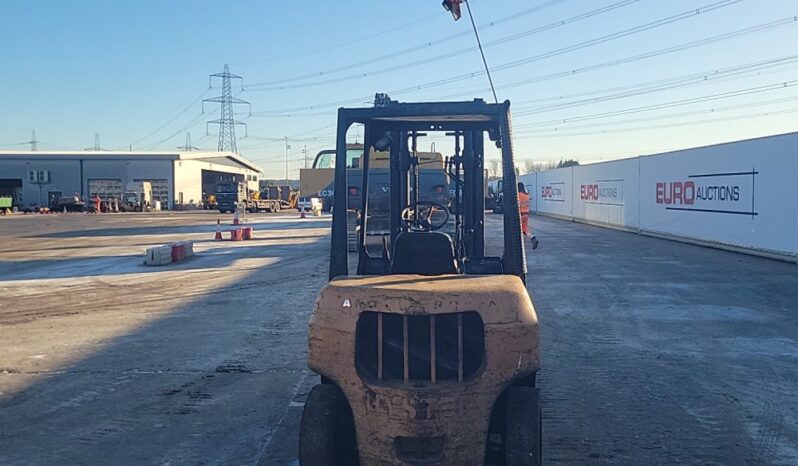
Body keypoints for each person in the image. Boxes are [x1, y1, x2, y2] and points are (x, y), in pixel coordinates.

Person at [518, 182, 539, 250]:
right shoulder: (527, 195)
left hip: (520, 214)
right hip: (526, 214)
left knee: (517, 230)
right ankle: (532, 237)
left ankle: (517, 246)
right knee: (525, 229)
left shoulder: (518, 195)